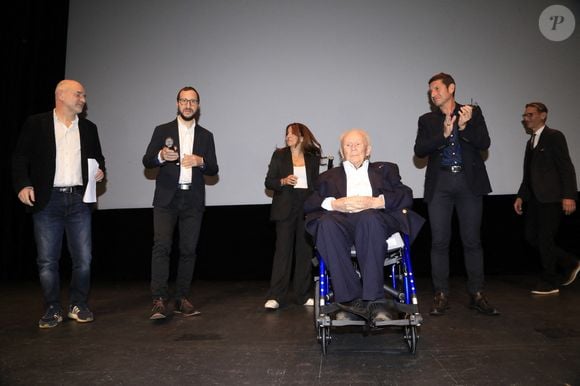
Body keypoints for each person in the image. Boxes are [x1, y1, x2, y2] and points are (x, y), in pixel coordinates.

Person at [304, 129, 424, 323]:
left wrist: (377, 202)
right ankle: (351, 301)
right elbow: (309, 203)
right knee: (325, 223)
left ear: (368, 149)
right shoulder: (328, 177)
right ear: (342, 152)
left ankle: (375, 300)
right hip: (341, 221)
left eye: (357, 144)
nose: (352, 148)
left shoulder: (386, 169)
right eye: (347, 145)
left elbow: (405, 195)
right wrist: (335, 204)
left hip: (376, 218)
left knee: (369, 218)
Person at [12, 80, 106, 328]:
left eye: (84, 95)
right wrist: (23, 184)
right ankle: (52, 308)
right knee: (47, 260)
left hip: (78, 200)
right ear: (61, 96)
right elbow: (20, 157)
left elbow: (98, 159)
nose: (83, 99)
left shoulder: (88, 127)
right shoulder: (37, 123)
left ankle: (78, 304)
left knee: (83, 258)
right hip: (47, 200)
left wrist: (99, 171)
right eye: (79, 94)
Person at [414, 72, 499, 316]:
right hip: (440, 183)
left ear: (451, 88)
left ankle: (477, 293)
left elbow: (484, 143)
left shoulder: (472, 112)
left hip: (468, 182)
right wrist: (443, 134)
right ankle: (441, 294)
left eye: (437, 88)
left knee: (472, 240)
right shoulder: (427, 120)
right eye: (430, 90)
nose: (433, 93)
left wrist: (463, 127)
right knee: (439, 241)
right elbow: (419, 150)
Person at [142, 86, 218, 320]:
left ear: (198, 106)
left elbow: (214, 168)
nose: (188, 105)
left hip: (192, 199)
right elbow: (147, 161)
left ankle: (181, 298)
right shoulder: (162, 130)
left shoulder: (206, 135)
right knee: (162, 247)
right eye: (184, 101)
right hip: (167, 198)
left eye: (193, 101)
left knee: (188, 250)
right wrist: (161, 156)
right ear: (177, 104)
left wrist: (200, 161)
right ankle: (158, 300)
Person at [514, 102, 579, 295]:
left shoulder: (554, 136)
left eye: (530, 115)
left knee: (545, 239)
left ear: (543, 116)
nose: (526, 119)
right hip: (534, 199)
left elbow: (566, 167)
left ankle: (550, 282)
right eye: (525, 115)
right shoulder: (531, 142)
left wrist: (569, 195)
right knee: (531, 237)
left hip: (551, 198)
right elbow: (528, 173)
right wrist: (520, 196)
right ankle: (570, 262)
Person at [264, 123, 321, 310]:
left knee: (304, 252)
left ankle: (302, 295)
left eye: (292, 133)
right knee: (282, 252)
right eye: (286, 133)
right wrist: (283, 180)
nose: (288, 136)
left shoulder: (312, 157)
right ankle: (276, 296)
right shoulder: (279, 155)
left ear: (302, 137)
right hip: (285, 208)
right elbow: (269, 181)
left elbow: (315, 184)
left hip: (306, 207)